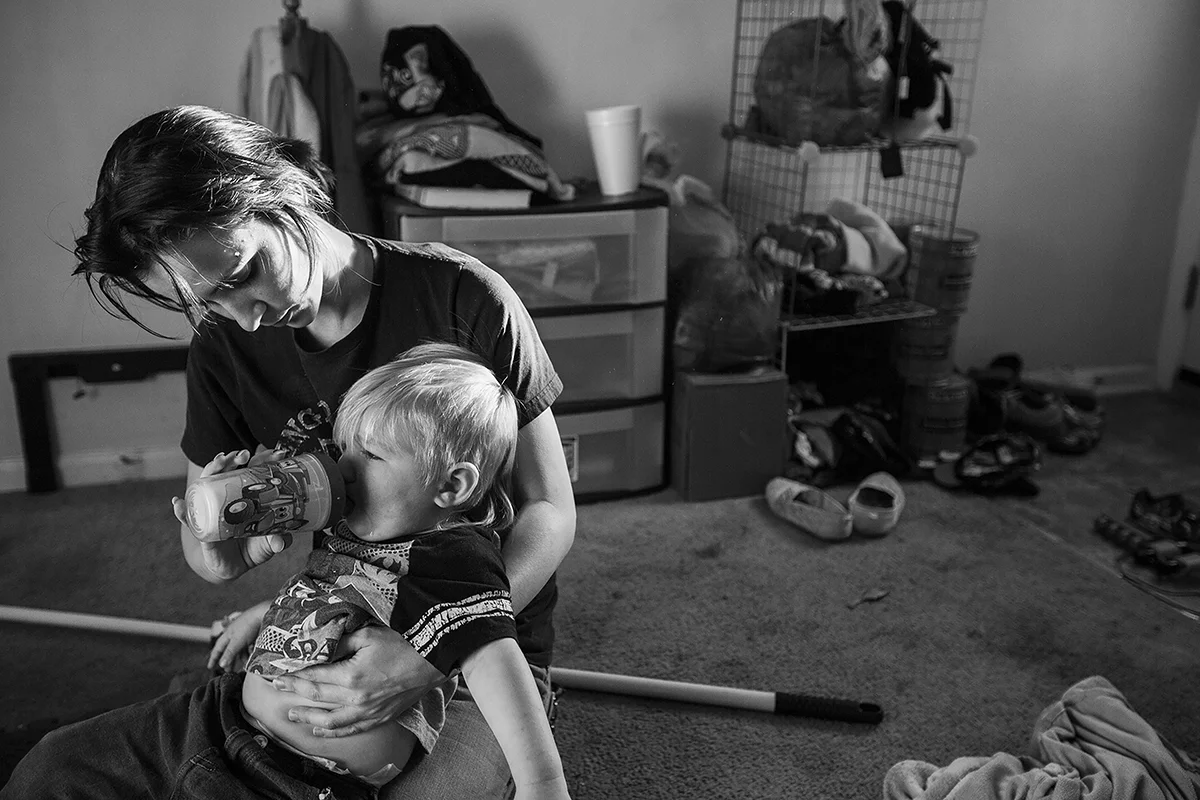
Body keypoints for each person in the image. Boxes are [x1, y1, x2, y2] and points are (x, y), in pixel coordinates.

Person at [3, 104, 575, 799]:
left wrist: (433, 649)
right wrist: (218, 556)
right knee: (50, 772)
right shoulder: (223, 350)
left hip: (474, 663)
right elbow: (204, 537)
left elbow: (549, 507)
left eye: (243, 272)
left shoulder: (461, 294)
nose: (243, 317)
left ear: (281, 193)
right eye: (205, 303)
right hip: (327, 617)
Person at [200, 344, 567, 796]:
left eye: (371, 454)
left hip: (319, 777)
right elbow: (345, 587)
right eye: (344, 447)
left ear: (452, 485)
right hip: (239, 725)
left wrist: (544, 786)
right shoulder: (363, 523)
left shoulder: (453, 557)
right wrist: (263, 610)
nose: (344, 467)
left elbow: (494, 660)